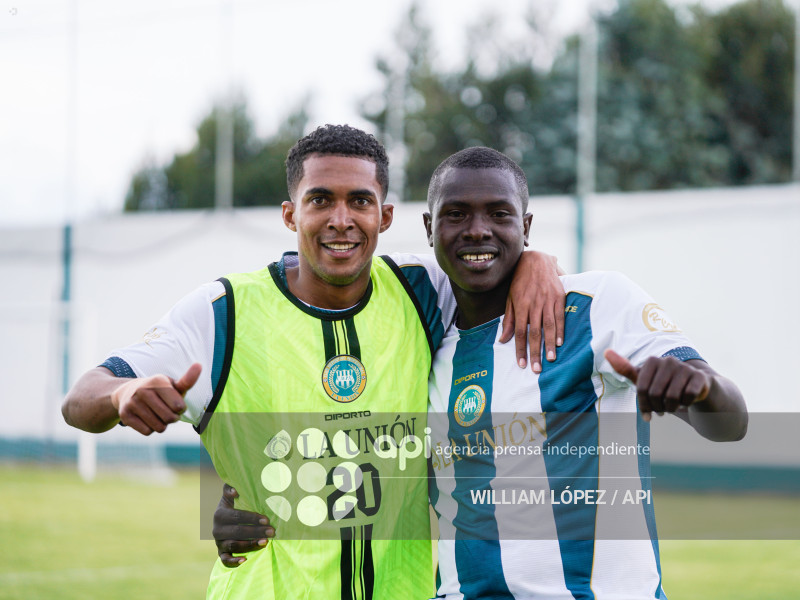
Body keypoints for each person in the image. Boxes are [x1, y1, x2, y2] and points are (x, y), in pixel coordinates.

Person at [214, 146, 748, 599]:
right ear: (429, 228)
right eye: (456, 215)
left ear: (526, 226)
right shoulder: (428, 345)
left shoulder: (599, 304)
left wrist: (700, 389)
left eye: (499, 214)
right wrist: (248, 509)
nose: (477, 231)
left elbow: (730, 422)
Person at [61, 126, 565, 599]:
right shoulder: (222, 312)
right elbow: (82, 398)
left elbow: (493, 262)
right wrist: (121, 394)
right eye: (320, 200)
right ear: (290, 214)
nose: (340, 219)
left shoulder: (422, 290)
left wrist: (536, 262)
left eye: (360, 201)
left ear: (385, 216)